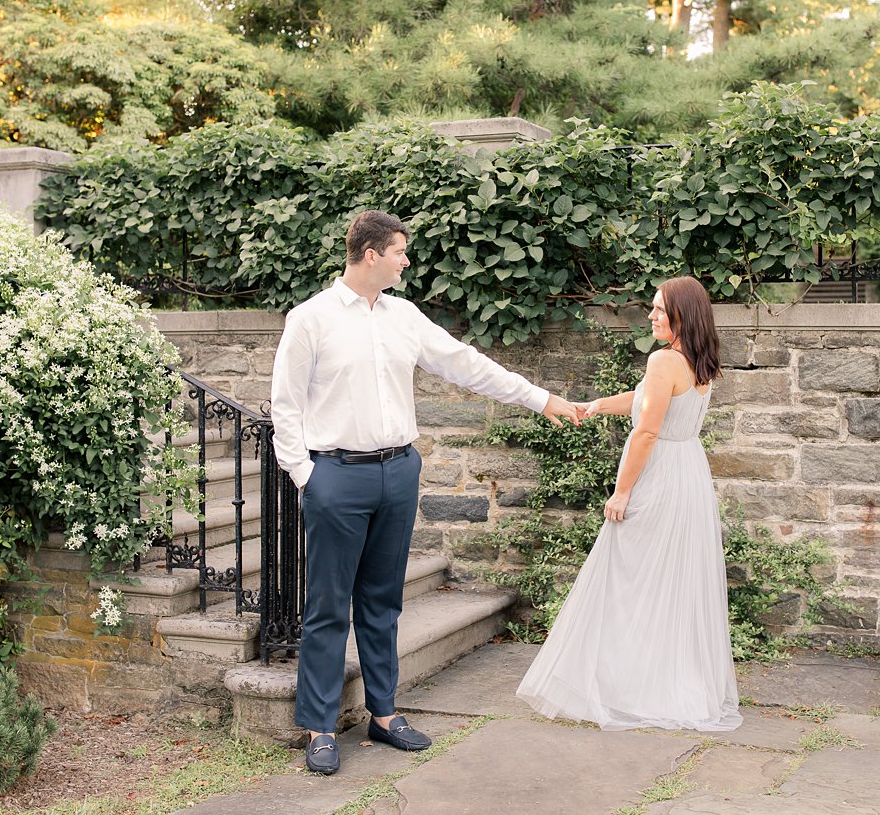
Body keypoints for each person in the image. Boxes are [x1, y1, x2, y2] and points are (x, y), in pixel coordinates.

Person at [271, 209, 581, 775]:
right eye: (399, 252)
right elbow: (285, 405)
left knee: (384, 601)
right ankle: (318, 725)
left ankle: (385, 715)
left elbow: (469, 366)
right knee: (326, 606)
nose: (405, 261)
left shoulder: (404, 317)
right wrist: (304, 475)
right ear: (371, 255)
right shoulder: (310, 319)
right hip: (335, 475)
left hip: (398, 471)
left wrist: (542, 399)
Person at [516, 275, 742, 732]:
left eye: (660, 309)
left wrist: (622, 492)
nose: (652, 315)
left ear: (683, 314)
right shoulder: (696, 359)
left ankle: (627, 685)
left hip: (658, 478)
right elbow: (647, 403)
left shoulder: (663, 360)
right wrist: (598, 404)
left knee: (626, 576)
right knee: (669, 582)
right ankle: (663, 681)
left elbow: (646, 430)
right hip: (689, 477)